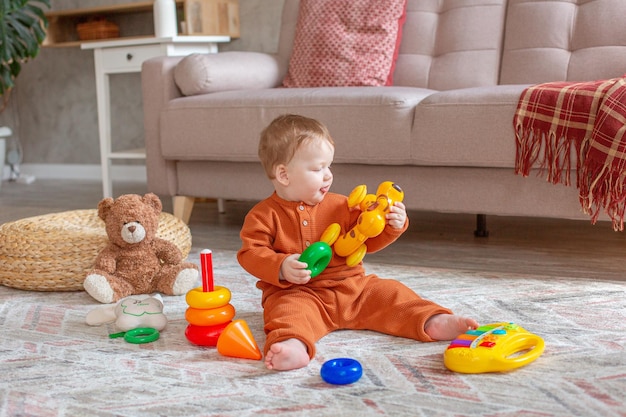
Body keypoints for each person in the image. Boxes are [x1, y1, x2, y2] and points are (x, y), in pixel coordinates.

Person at [237, 114, 478, 371]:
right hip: (298, 293)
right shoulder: (264, 215)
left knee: (391, 293)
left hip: (353, 287)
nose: (328, 175)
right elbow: (250, 252)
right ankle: (294, 346)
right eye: (318, 169)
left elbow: (367, 241)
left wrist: (392, 226)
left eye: (329, 166)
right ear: (284, 175)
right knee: (287, 314)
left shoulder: (343, 204)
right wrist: (281, 265)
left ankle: (433, 320)